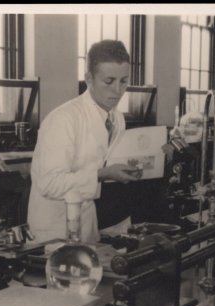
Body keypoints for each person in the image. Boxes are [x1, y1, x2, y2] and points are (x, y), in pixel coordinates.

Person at [28, 39, 142, 244]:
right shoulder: (64, 119)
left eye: (124, 81)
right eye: (109, 81)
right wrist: (102, 175)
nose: (118, 90)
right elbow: (49, 184)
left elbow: (100, 166)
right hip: (54, 229)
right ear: (88, 78)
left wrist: (125, 171)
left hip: (88, 221)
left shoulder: (117, 118)